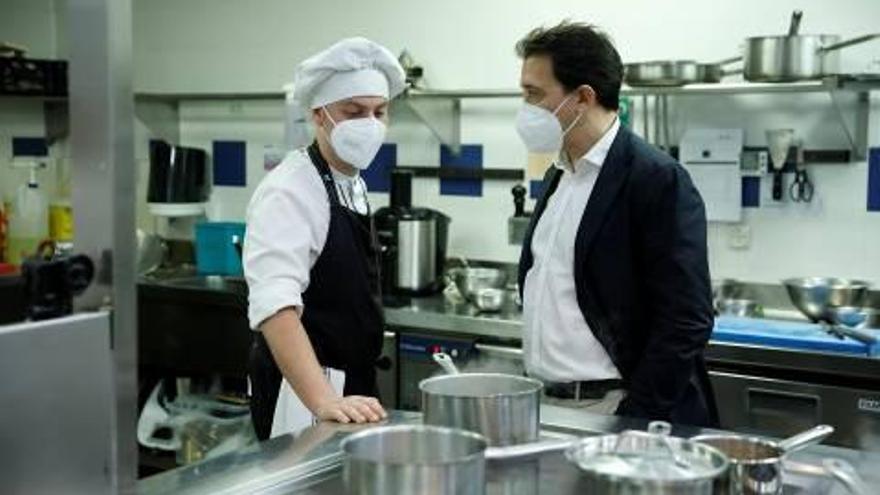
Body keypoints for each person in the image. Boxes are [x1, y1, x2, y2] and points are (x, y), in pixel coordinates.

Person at [514, 22, 718, 426]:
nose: (524, 108)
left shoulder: (655, 178)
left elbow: (687, 318)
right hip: (549, 404)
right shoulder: (561, 172)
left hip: (609, 408)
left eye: (533, 95)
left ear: (582, 98)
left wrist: (636, 417)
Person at [244, 37, 405, 439]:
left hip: (349, 386)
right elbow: (274, 306)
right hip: (305, 391)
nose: (369, 124)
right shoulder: (291, 189)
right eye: (354, 112)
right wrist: (322, 398)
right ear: (319, 116)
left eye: (379, 112)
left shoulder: (350, 181)